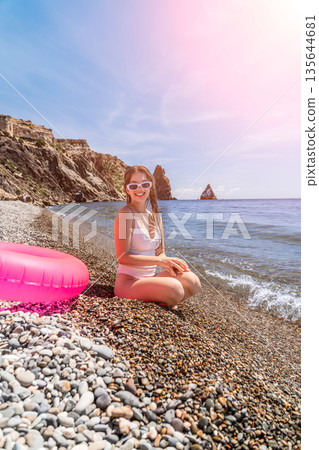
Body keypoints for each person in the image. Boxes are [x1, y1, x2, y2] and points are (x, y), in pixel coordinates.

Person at [113, 165, 201, 308]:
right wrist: (160, 261)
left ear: (150, 187)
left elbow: (160, 253)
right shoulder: (125, 214)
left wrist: (170, 262)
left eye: (145, 184)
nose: (140, 189)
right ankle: (162, 298)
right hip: (129, 282)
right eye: (134, 185)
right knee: (176, 289)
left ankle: (160, 297)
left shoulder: (155, 217)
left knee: (193, 281)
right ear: (127, 189)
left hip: (151, 277)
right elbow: (123, 257)